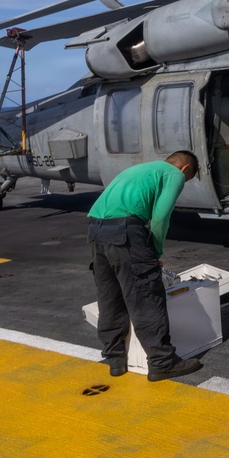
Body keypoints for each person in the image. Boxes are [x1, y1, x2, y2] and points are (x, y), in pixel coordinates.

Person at [87, 150, 203, 381]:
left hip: (96, 230)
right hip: (126, 233)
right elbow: (161, 217)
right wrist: (155, 251)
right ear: (185, 169)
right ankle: (162, 362)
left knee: (110, 295)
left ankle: (115, 358)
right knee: (145, 295)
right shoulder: (174, 174)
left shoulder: (140, 169)